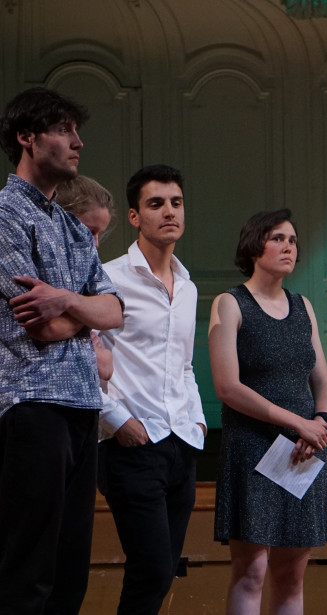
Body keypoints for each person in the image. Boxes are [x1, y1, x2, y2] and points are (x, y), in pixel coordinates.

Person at [0, 87, 123, 614]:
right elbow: (41, 329)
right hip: (32, 404)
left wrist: (65, 300)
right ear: (28, 138)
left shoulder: (73, 226)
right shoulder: (6, 214)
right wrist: (80, 312)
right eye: (64, 130)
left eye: (77, 131)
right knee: (30, 573)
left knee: (71, 571)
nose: (77, 142)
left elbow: (116, 310)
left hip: (81, 407)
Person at [209, 209, 327, 615]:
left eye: (293, 240)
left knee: (291, 575)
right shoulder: (231, 303)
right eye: (278, 238)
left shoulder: (303, 306)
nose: (288, 246)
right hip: (254, 446)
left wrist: (321, 422)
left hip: (303, 449)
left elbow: (322, 381)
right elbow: (228, 387)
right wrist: (297, 423)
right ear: (253, 246)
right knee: (251, 572)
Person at [96, 164, 207, 615]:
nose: (169, 212)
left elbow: (184, 365)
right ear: (135, 216)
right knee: (152, 570)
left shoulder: (189, 286)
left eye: (176, 203)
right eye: (156, 203)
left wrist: (196, 420)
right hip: (131, 444)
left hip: (181, 441)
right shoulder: (108, 277)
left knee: (162, 573)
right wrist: (118, 421)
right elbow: (86, 360)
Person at [58, 174, 117, 380]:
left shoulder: (89, 273)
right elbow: (47, 329)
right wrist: (88, 315)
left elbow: (113, 314)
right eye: (89, 231)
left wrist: (71, 308)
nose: (96, 244)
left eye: (99, 234)